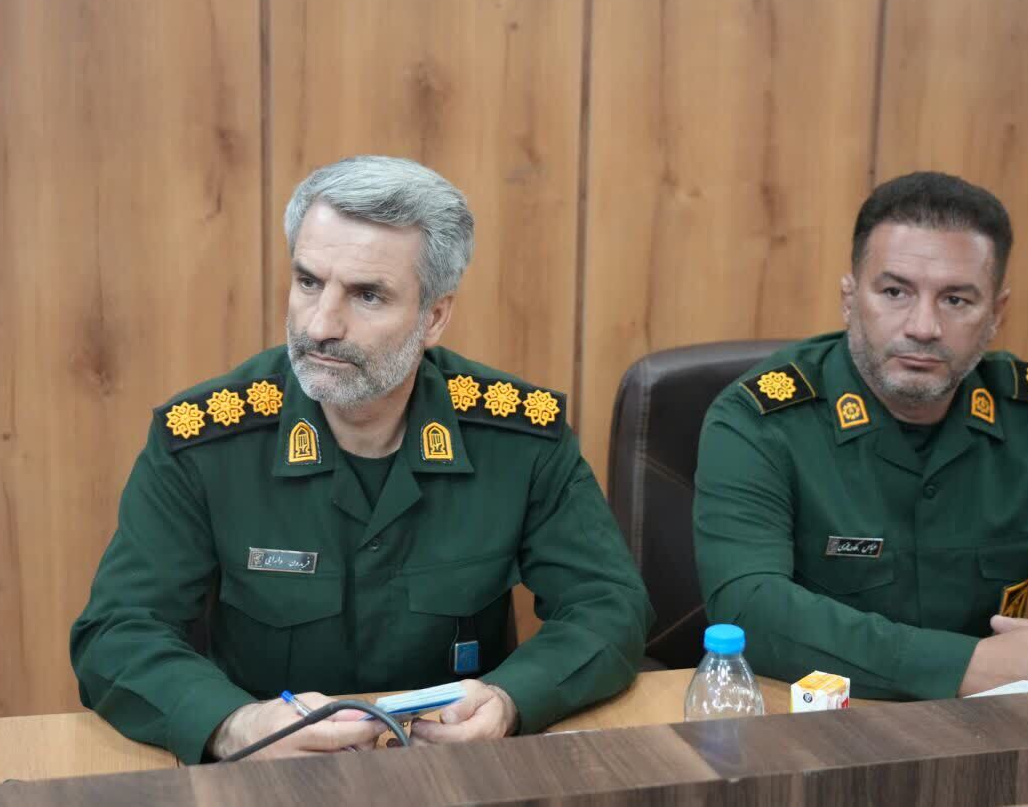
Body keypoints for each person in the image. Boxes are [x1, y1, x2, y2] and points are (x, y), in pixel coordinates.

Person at [71, 156, 653, 763]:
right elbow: (117, 632)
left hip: (457, 771)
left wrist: (511, 700)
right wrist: (234, 725)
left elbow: (609, 606)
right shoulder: (204, 441)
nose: (322, 324)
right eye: (308, 282)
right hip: (269, 778)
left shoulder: (519, 437)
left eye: (367, 295)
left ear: (433, 317)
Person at [694, 171, 1028, 700]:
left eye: (956, 300)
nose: (923, 326)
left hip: (995, 725)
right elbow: (749, 606)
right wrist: (968, 665)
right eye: (895, 292)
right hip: (816, 719)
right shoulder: (760, 419)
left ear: (997, 314)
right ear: (850, 299)